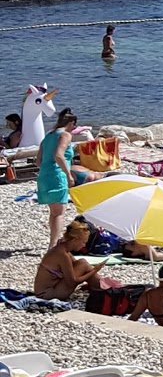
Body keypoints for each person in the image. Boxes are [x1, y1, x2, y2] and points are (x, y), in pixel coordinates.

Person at [33, 220, 114, 300]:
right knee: (83, 264)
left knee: (82, 263)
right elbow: (72, 281)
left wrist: (90, 273)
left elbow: (77, 265)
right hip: (46, 294)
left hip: (50, 290)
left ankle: (103, 287)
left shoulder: (62, 249)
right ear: (75, 240)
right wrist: (94, 270)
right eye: (83, 242)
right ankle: (105, 289)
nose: (84, 245)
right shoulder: (62, 254)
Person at [37, 108, 79, 245]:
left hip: (44, 175)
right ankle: (53, 245)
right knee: (59, 212)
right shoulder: (65, 135)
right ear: (71, 123)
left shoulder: (48, 136)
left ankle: (53, 242)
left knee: (53, 212)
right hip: (57, 175)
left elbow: (38, 161)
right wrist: (68, 175)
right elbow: (58, 155)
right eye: (75, 126)